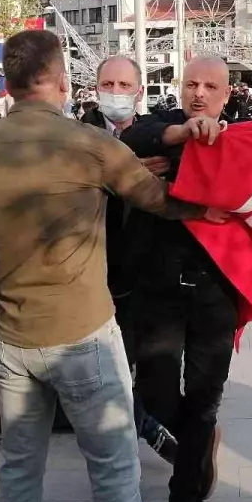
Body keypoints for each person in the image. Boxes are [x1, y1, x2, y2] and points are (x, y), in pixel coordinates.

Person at [0, 30, 216, 502]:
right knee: (114, 468)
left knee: (20, 469)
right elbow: (161, 200)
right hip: (85, 336)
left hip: (12, 340)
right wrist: (218, 204)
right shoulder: (89, 144)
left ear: (9, 84)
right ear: (61, 81)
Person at [118, 55, 243, 502]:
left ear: (226, 94)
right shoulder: (161, 129)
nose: (199, 93)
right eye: (191, 83)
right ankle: (196, 439)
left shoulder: (243, 140)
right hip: (159, 292)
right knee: (159, 394)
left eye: (210, 86)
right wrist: (182, 138)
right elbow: (136, 136)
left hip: (216, 290)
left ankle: (185, 500)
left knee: (205, 399)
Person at [80, 55, 179, 464]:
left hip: (147, 273)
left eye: (124, 85)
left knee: (148, 363)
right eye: (108, 84)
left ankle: (151, 425)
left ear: (139, 92)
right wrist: (128, 172)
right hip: (91, 269)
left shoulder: (157, 133)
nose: (115, 93)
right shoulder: (79, 134)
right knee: (102, 369)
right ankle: (144, 431)